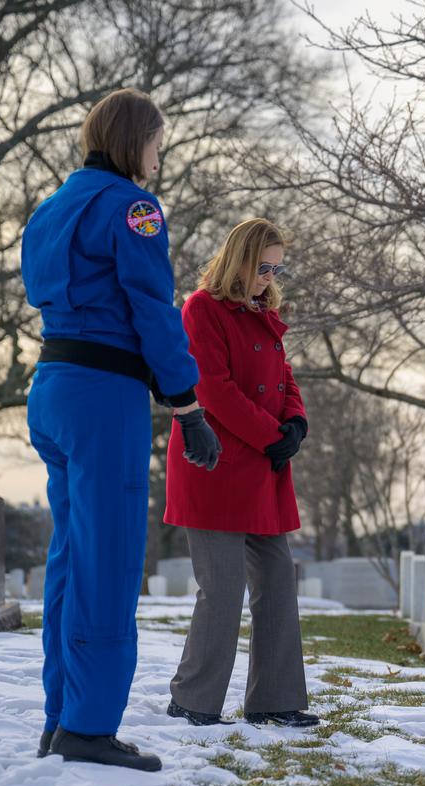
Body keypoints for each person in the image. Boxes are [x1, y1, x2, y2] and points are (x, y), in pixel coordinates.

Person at [21, 88, 221, 771]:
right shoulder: (132, 207)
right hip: (104, 394)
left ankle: (60, 719)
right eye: (157, 144)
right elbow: (152, 306)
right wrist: (187, 402)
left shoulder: (51, 208)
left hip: (51, 385)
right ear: (134, 140)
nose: (159, 159)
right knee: (106, 565)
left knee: (71, 561)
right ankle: (88, 726)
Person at [163, 218, 317, 728]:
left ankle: (274, 699)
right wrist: (273, 436)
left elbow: (283, 376)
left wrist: (295, 421)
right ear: (239, 260)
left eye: (276, 268)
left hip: (263, 469)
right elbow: (213, 389)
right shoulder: (201, 309)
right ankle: (193, 700)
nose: (268, 278)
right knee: (223, 589)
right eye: (261, 267)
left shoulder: (264, 313)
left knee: (276, 582)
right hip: (217, 466)